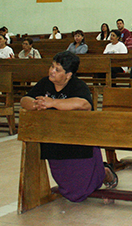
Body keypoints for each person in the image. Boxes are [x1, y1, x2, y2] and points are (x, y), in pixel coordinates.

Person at [20, 51, 118, 202]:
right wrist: (35, 104)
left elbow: (84, 104)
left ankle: (104, 173)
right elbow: (24, 99)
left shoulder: (78, 86)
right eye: (52, 67)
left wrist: (52, 103)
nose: (52, 71)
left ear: (68, 75)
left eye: (57, 70)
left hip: (77, 142)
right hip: (53, 141)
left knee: (82, 180)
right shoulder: (45, 83)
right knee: (66, 181)